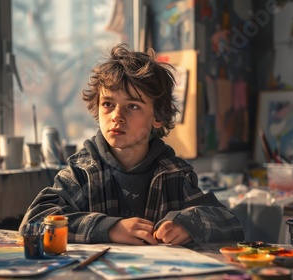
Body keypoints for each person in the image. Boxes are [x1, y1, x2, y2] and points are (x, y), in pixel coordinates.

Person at [19, 44, 244, 245]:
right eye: (107, 104)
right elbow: (35, 221)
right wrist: (109, 228)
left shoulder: (174, 173)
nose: (117, 116)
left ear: (157, 117)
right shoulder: (82, 172)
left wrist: (190, 224)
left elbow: (230, 222)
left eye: (133, 106)